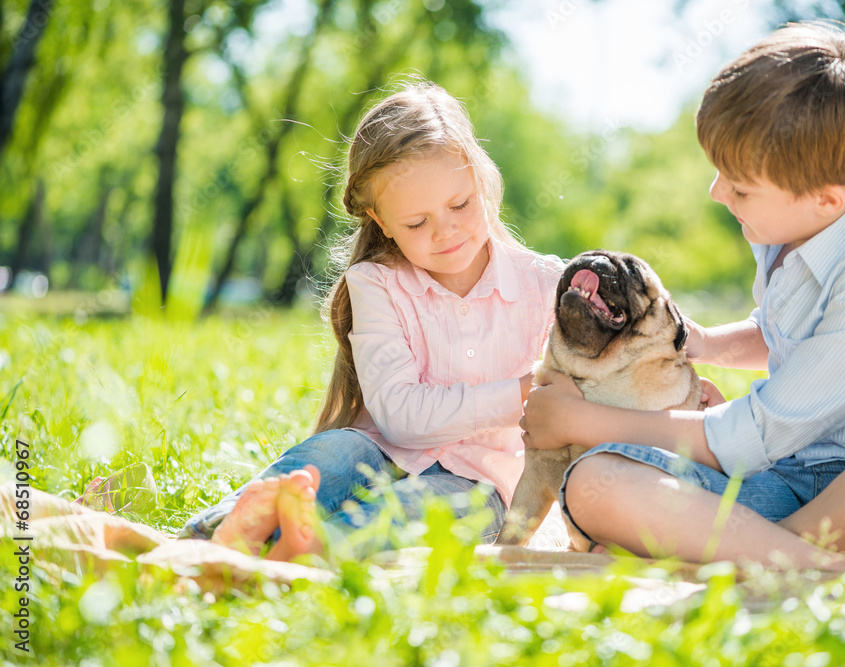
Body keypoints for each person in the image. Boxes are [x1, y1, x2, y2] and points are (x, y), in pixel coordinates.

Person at [521, 23, 845, 571]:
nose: (717, 192)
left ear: (825, 199)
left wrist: (579, 422)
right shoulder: (796, 224)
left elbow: (750, 438)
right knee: (593, 481)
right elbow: (787, 337)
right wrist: (703, 343)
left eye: (740, 186)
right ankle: (803, 558)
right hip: (792, 483)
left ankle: (760, 553)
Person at [180, 81, 564, 560]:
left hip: (481, 482)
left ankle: (311, 551)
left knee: (416, 513)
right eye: (416, 223)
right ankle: (214, 536)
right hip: (377, 449)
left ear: (483, 182)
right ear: (379, 220)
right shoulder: (376, 284)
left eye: (460, 205)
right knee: (327, 458)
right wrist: (522, 395)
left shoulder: (547, 284)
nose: (445, 231)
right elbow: (402, 419)